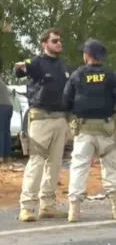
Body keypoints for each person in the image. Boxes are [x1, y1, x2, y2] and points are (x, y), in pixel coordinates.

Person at [14, 28, 71, 222]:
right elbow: (20, 70)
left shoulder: (63, 65)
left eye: (60, 40)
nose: (59, 44)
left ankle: (47, 205)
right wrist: (20, 67)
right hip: (40, 118)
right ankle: (26, 207)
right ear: (44, 44)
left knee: (54, 164)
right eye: (55, 41)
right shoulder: (37, 63)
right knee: (36, 162)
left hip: (60, 118)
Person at [62, 39, 116, 222]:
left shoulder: (78, 74)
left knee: (79, 168)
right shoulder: (110, 75)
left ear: (87, 56)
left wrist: (71, 118)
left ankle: (74, 211)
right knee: (111, 169)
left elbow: (65, 100)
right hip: (107, 129)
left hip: (84, 130)